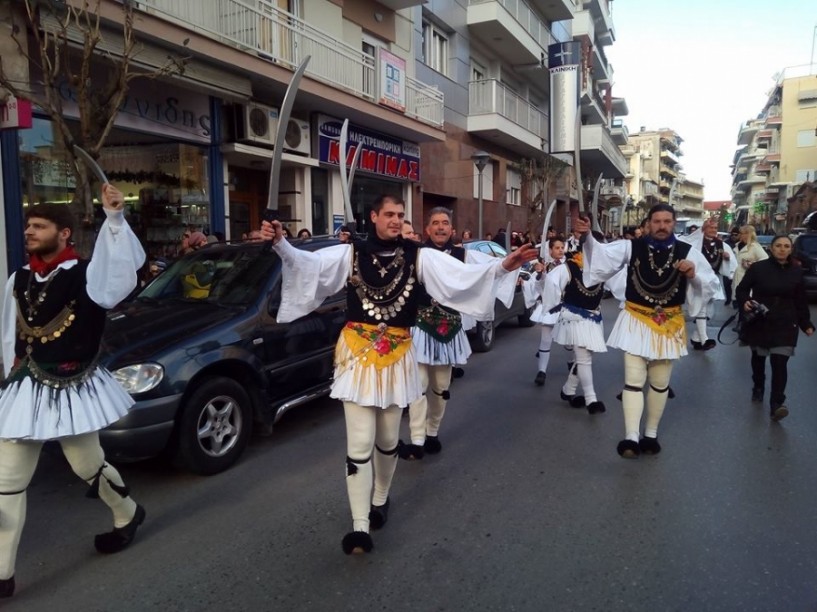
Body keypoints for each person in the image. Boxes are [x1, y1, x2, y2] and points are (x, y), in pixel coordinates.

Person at [260, 194, 536, 554]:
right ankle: (360, 525)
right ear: (373, 216)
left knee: (388, 439)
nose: (395, 220)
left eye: (400, 215)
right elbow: (308, 265)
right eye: (389, 214)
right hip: (357, 355)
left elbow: (461, 277)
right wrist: (281, 242)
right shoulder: (351, 253)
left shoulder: (419, 255)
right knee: (359, 443)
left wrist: (503, 266)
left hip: (398, 353)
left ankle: (380, 498)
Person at [0, 186, 147, 598]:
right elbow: (7, 331)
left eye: (39, 226)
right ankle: (3, 574)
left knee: (87, 464)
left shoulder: (88, 274)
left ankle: (127, 513)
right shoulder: (19, 276)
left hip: (71, 386)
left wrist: (114, 219)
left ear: (64, 233)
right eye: (28, 225)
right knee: (7, 479)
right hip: (26, 387)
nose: (29, 231)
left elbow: (120, 275)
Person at [575, 204, 719, 458]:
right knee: (633, 381)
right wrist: (586, 237)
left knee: (660, 383)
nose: (661, 226)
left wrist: (694, 275)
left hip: (669, 323)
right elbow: (601, 258)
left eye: (666, 221)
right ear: (648, 223)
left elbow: (710, 286)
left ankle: (650, 434)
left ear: (674, 223)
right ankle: (631, 436)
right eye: (656, 221)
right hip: (636, 320)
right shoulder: (631, 247)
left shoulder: (689, 252)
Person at [398, 207, 517, 460]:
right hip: (419, 326)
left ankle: (432, 433)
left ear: (452, 229)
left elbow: (492, 269)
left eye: (445, 223)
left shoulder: (465, 255)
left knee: (440, 387)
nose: (440, 227)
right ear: (427, 228)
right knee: (418, 387)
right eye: (435, 223)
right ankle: (417, 440)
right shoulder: (415, 252)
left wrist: (508, 265)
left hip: (448, 327)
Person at [735, 235, 814, 421]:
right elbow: (742, 289)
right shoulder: (758, 268)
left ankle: (777, 404)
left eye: (786, 246)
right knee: (758, 358)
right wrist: (745, 301)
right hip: (761, 320)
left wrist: (806, 324)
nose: (782, 249)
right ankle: (758, 386)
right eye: (778, 245)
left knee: (780, 364)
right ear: (771, 248)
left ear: (791, 249)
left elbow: (800, 300)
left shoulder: (796, 271)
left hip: (786, 322)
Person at [541, 233, 609, 414]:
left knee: (586, 356)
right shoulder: (569, 267)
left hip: (594, 318)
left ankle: (568, 390)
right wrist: (555, 305)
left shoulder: (603, 268)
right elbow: (551, 281)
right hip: (575, 318)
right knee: (584, 358)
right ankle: (591, 399)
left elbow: (619, 284)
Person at [683, 218, 736, 350]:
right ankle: (704, 339)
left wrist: (727, 258)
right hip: (698, 279)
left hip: (713, 279)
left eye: (715, 228)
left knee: (710, 312)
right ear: (704, 229)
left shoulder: (721, 244)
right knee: (702, 307)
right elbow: (687, 243)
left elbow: (732, 264)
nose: (713, 230)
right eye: (710, 228)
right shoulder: (697, 243)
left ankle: (696, 337)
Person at [732, 225, 768, 305]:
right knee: (739, 303)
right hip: (737, 278)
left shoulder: (755, 246)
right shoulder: (738, 245)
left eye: (743, 233)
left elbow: (765, 260)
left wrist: (751, 264)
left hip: (748, 279)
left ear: (749, 234)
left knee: (745, 307)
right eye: (740, 233)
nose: (741, 235)